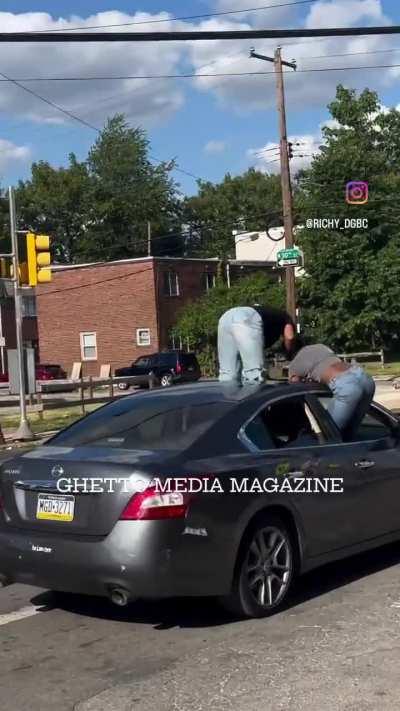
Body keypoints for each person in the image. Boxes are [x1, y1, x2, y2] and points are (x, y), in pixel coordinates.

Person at [288, 344, 375, 437]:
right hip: (364, 377)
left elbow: (295, 389)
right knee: (350, 434)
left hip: (346, 386)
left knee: (329, 435)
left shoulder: (295, 364)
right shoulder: (320, 347)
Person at [217, 304, 296, 384]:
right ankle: (254, 396)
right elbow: (290, 337)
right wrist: (289, 353)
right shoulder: (286, 317)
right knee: (254, 374)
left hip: (226, 317)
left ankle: (228, 395)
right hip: (247, 318)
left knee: (228, 374)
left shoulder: (270, 318)